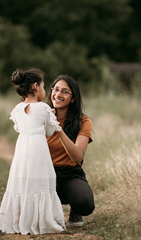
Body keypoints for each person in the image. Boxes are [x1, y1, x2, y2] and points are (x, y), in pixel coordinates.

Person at [0, 68, 66, 235]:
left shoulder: (18, 109)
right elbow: (50, 132)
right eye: (43, 86)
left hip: (23, 149)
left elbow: (19, 129)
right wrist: (53, 115)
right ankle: (41, 220)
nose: (45, 90)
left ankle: (19, 220)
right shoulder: (43, 108)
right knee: (40, 180)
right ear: (35, 86)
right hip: (38, 149)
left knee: (22, 180)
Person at [47, 75, 95, 227]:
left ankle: (76, 210)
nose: (58, 94)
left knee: (85, 203)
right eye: (56, 89)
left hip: (71, 173)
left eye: (65, 92)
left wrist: (58, 129)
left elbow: (77, 156)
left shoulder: (83, 121)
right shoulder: (41, 116)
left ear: (73, 98)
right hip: (45, 172)